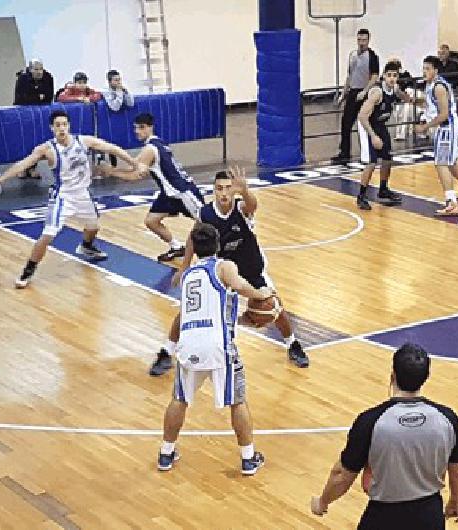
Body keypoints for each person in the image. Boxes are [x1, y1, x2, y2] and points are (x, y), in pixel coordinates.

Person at [148, 167, 310, 376]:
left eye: (228, 188)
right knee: (189, 311)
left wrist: (244, 190)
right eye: (219, 189)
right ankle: (166, 352)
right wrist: (184, 266)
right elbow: (192, 237)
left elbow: (253, 204)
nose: (224, 193)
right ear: (214, 191)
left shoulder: (242, 208)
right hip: (219, 272)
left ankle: (293, 344)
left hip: (251, 268)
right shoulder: (205, 213)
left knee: (274, 306)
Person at [310, 342, 458, 529]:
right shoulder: (448, 419)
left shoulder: (370, 421)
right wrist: (455, 502)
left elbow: (342, 476)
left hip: (383, 516)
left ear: (392, 375)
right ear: (426, 377)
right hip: (429, 515)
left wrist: (323, 502)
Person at [157, 222, 270, 475]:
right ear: (218, 245)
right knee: (237, 401)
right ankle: (248, 458)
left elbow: (203, 308)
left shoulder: (185, 276)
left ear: (194, 249)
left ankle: (165, 453)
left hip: (189, 343)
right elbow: (240, 286)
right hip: (218, 345)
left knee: (179, 399)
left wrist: (239, 319)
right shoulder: (223, 266)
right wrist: (261, 294)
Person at [0, 110, 137, 288]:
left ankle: (86, 246)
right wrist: (3, 178)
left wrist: (132, 162)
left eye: (64, 124)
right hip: (63, 196)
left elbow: (112, 148)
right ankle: (28, 270)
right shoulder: (47, 149)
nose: (62, 128)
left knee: (93, 226)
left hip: (83, 194)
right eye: (58, 125)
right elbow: (23, 164)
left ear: (69, 126)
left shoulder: (83, 141)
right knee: (48, 235)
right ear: (52, 128)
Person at [97, 113, 205, 262]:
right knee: (151, 221)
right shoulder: (158, 143)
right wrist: (113, 170)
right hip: (169, 193)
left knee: (207, 224)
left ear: (150, 128)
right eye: (136, 128)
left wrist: (112, 171)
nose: (137, 131)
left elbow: (136, 175)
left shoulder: (150, 149)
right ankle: (176, 246)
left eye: (141, 128)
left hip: (183, 192)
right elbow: (138, 168)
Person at [415, 56, 458, 217]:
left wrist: (425, 127)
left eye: (428, 69)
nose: (424, 71)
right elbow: (428, 103)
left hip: (446, 127)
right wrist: (409, 99)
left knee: (441, 163)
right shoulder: (431, 85)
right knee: (450, 162)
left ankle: (451, 203)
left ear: (435, 70)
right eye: (423, 68)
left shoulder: (439, 87)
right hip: (444, 127)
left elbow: (443, 114)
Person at [355, 60, 411, 210]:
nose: (392, 78)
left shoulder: (395, 88)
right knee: (372, 163)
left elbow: (403, 96)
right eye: (389, 75)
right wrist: (373, 136)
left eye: (395, 75)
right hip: (366, 126)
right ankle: (361, 196)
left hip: (380, 125)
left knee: (387, 158)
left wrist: (415, 101)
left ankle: (383, 189)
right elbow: (362, 116)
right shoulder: (377, 92)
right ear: (383, 77)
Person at [332, 29, 380, 164]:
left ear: (368, 40)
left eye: (364, 40)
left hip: (365, 93)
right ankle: (344, 152)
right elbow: (350, 75)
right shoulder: (352, 55)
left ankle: (371, 151)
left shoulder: (372, 56)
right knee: (346, 123)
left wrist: (365, 91)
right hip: (353, 92)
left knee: (367, 123)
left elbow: (374, 76)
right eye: (359, 40)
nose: (361, 43)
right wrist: (343, 93)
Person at [14, 59, 55, 179]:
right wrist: (38, 96)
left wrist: (36, 96)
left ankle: (32, 168)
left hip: (40, 115)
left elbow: (48, 97)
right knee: (24, 141)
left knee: (37, 142)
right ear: (30, 69)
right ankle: (22, 168)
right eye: (36, 69)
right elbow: (22, 98)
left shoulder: (48, 77)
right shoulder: (22, 79)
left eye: (41, 69)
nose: (39, 72)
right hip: (24, 114)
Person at [102, 69, 135, 168]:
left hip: (121, 123)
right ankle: (111, 166)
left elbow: (131, 104)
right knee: (109, 145)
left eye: (119, 79)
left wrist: (126, 92)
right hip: (108, 123)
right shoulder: (106, 92)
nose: (118, 82)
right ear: (109, 81)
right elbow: (115, 107)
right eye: (115, 80)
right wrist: (119, 93)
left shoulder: (121, 89)